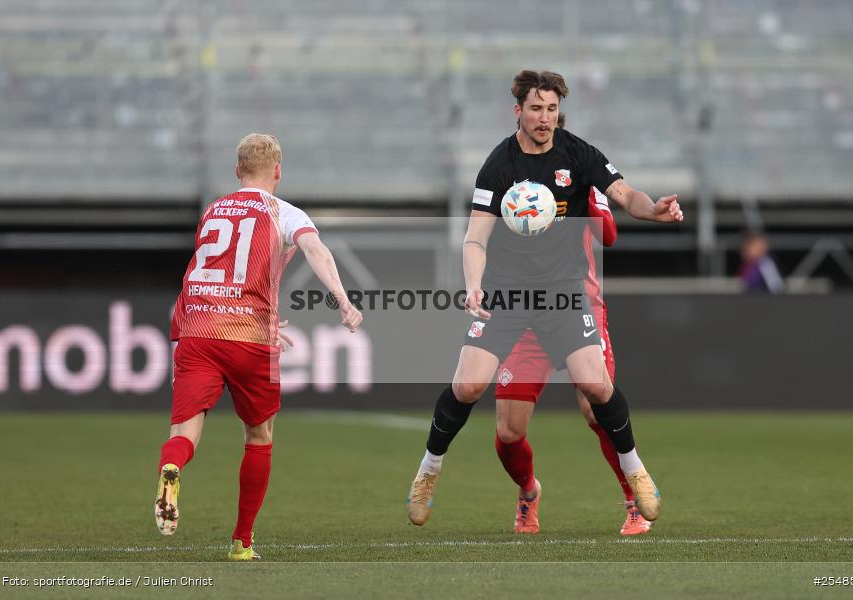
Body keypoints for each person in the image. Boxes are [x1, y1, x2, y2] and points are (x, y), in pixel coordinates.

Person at [406, 70, 683, 529]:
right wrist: (473, 283)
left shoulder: (578, 153)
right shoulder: (499, 165)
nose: (544, 118)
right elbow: (475, 237)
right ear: (518, 110)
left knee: (595, 387)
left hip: (562, 293)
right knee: (470, 389)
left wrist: (652, 210)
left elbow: (624, 194)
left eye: (551, 109)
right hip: (508, 294)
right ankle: (427, 472)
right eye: (535, 109)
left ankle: (635, 471)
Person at [154, 133, 362, 560]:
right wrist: (342, 300)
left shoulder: (213, 209)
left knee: (184, 430)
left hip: (197, 328)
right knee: (259, 435)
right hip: (249, 340)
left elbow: (222, 269)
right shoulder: (284, 211)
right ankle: (242, 542)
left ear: (237, 171)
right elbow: (315, 250)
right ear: (278, 171)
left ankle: (171, 467)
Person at [495, 187, 651, 535]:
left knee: (597, 406)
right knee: (508, 431)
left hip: (580, 308)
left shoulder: (582, 174)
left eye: (552, 126)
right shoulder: (510, 177)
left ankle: (634, 502)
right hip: (526, 316)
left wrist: (588, 195)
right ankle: (529, 489)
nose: (545, 128)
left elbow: (607, 234)